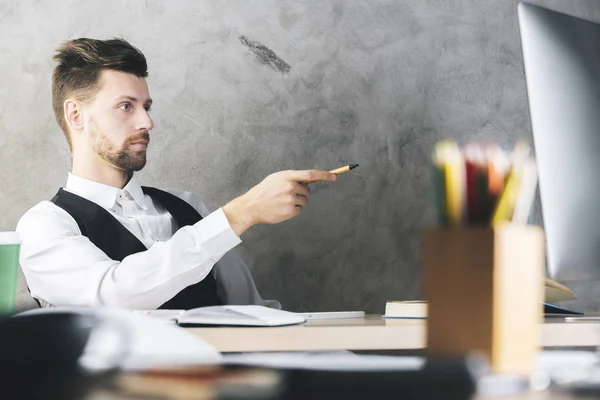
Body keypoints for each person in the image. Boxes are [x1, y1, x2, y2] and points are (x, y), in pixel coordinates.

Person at [16, 38, 336, 310]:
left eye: (147, 107)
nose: (147, 122)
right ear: (76, 114)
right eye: (126, 106)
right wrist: (240, 213)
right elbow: (113, 293)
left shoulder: (189, 207)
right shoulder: (45, 225)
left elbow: (249, 312)